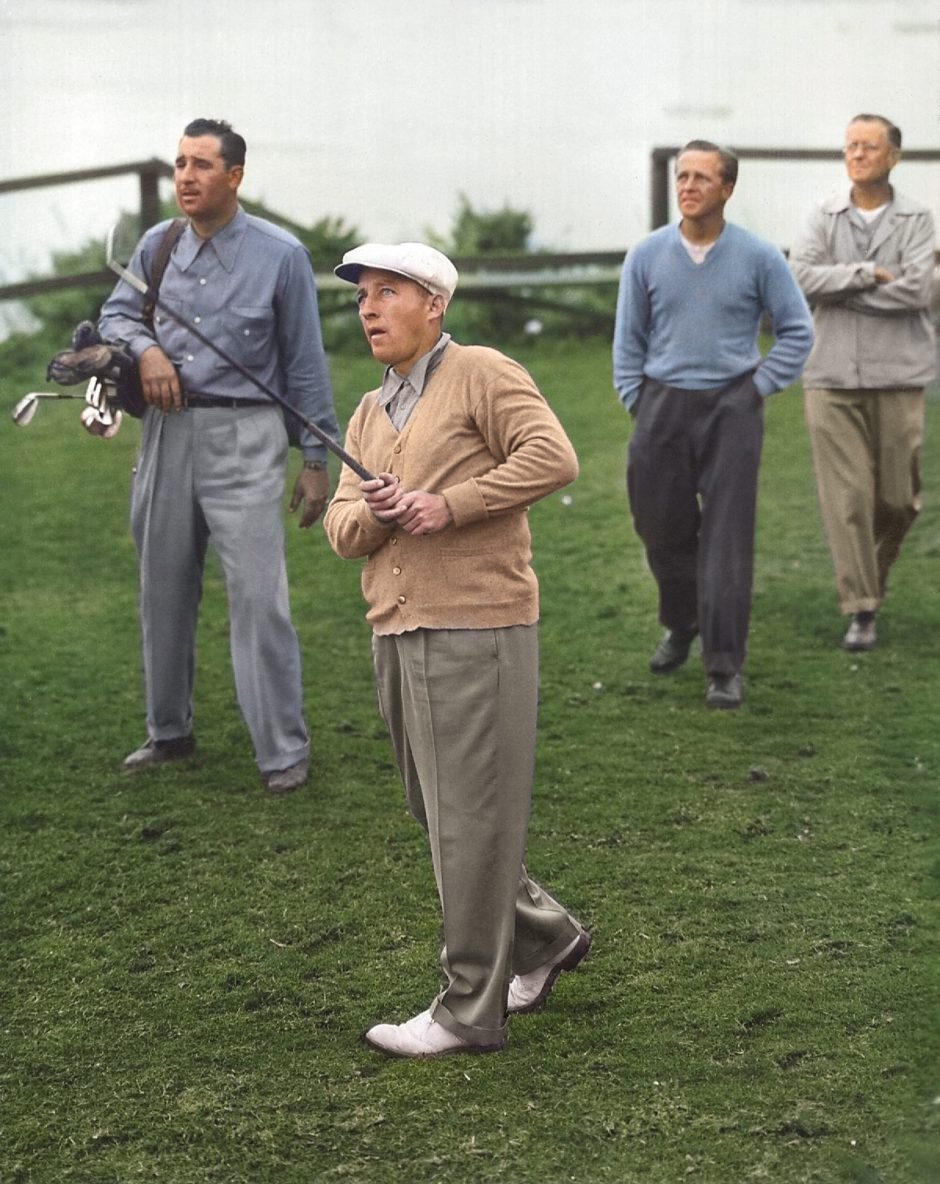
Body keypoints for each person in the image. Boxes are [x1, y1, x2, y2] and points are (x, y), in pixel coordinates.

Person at [323, 242, 590, 1058]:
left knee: (466, 821)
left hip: (478, 624)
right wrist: (377, 510)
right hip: (395, 629)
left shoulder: (481, 370)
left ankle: (469, 1010)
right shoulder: (370, 410)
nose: (368, 308)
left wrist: (449, 505)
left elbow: (553, 457)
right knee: (439, 813)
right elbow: (340, 531)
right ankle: (544, 937)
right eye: (362, 295)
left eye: (387, 292)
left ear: (434, 304)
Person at [94, 118, 339, 793]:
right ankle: (168, 733)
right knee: (163, 587)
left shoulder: (281, 255)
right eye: (179, 164)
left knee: (260, 599)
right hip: (167, 434)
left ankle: (283, 750)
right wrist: (145, 351)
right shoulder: (158, 244)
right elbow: (116, 315)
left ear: (234, 176)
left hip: (248, 436)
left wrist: (316, 461)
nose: (186, 177)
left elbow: (306, 366)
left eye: (202, 165)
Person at [613, 140, 814, 709]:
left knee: (726, 541)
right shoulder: (647, 255)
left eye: (702, 178)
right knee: (659, 527)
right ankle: (682, 622)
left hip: (733, 407)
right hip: (662, 405)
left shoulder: (759, 256)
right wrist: (638, 398)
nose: (689, 187)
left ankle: (724, 665)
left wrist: (757, 387)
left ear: (727, 189)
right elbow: (628, 340)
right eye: (682, 177)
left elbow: (798, 330)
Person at [789, 114, 936, 652]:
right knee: (847, 500)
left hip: (900, 374)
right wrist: (870, 272)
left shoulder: (919, 219)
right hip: (829, 376)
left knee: (900, 501)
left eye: (869, 146)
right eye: (851, 145)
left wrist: (840, 285)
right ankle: (862, 609)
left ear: (893, 156)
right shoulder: (822, 215)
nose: (857, 154)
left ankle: (867, 580)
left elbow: (919, 291)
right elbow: (801, 277)